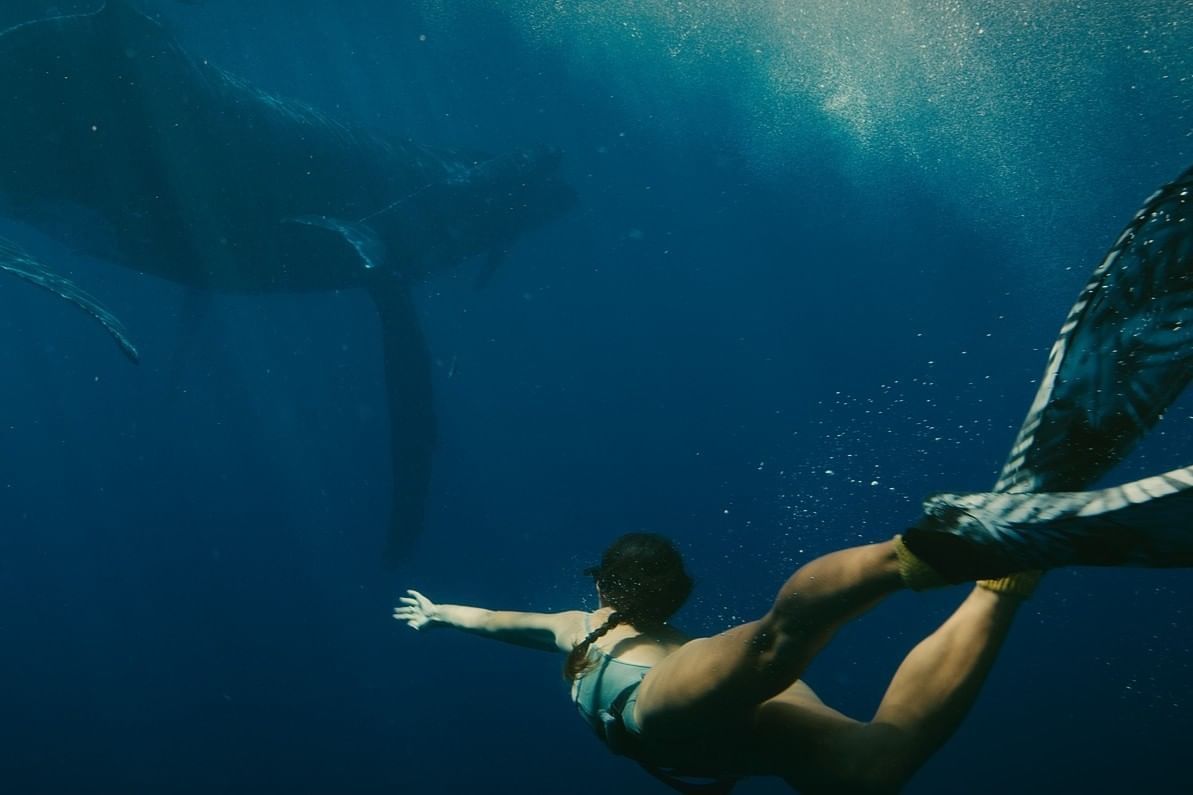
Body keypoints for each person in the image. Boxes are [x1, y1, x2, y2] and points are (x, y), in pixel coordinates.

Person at [396, 163, 1193, 794]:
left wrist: (437, 615)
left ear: (603, 584)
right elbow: (493, 619)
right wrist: (440, 615)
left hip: (659, 709)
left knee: (777, 643)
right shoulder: (609, 629)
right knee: (869, 768)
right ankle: (1005, 567)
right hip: (746, 732)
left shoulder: (580, 628)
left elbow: (496, 620)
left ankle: (929, 550)